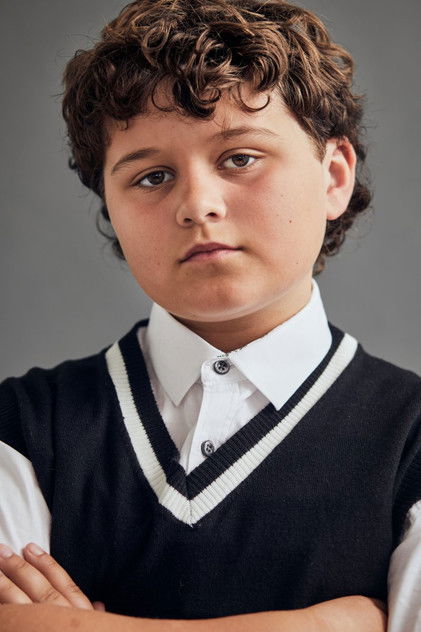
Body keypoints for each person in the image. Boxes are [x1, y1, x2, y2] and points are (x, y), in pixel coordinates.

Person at [0, 0, 419, 630]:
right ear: (110, 206)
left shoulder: (410, 438)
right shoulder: (22, 429)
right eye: (152, 176)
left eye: (240, 158)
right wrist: (322, 626)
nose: (197, 204)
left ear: (333, 177)